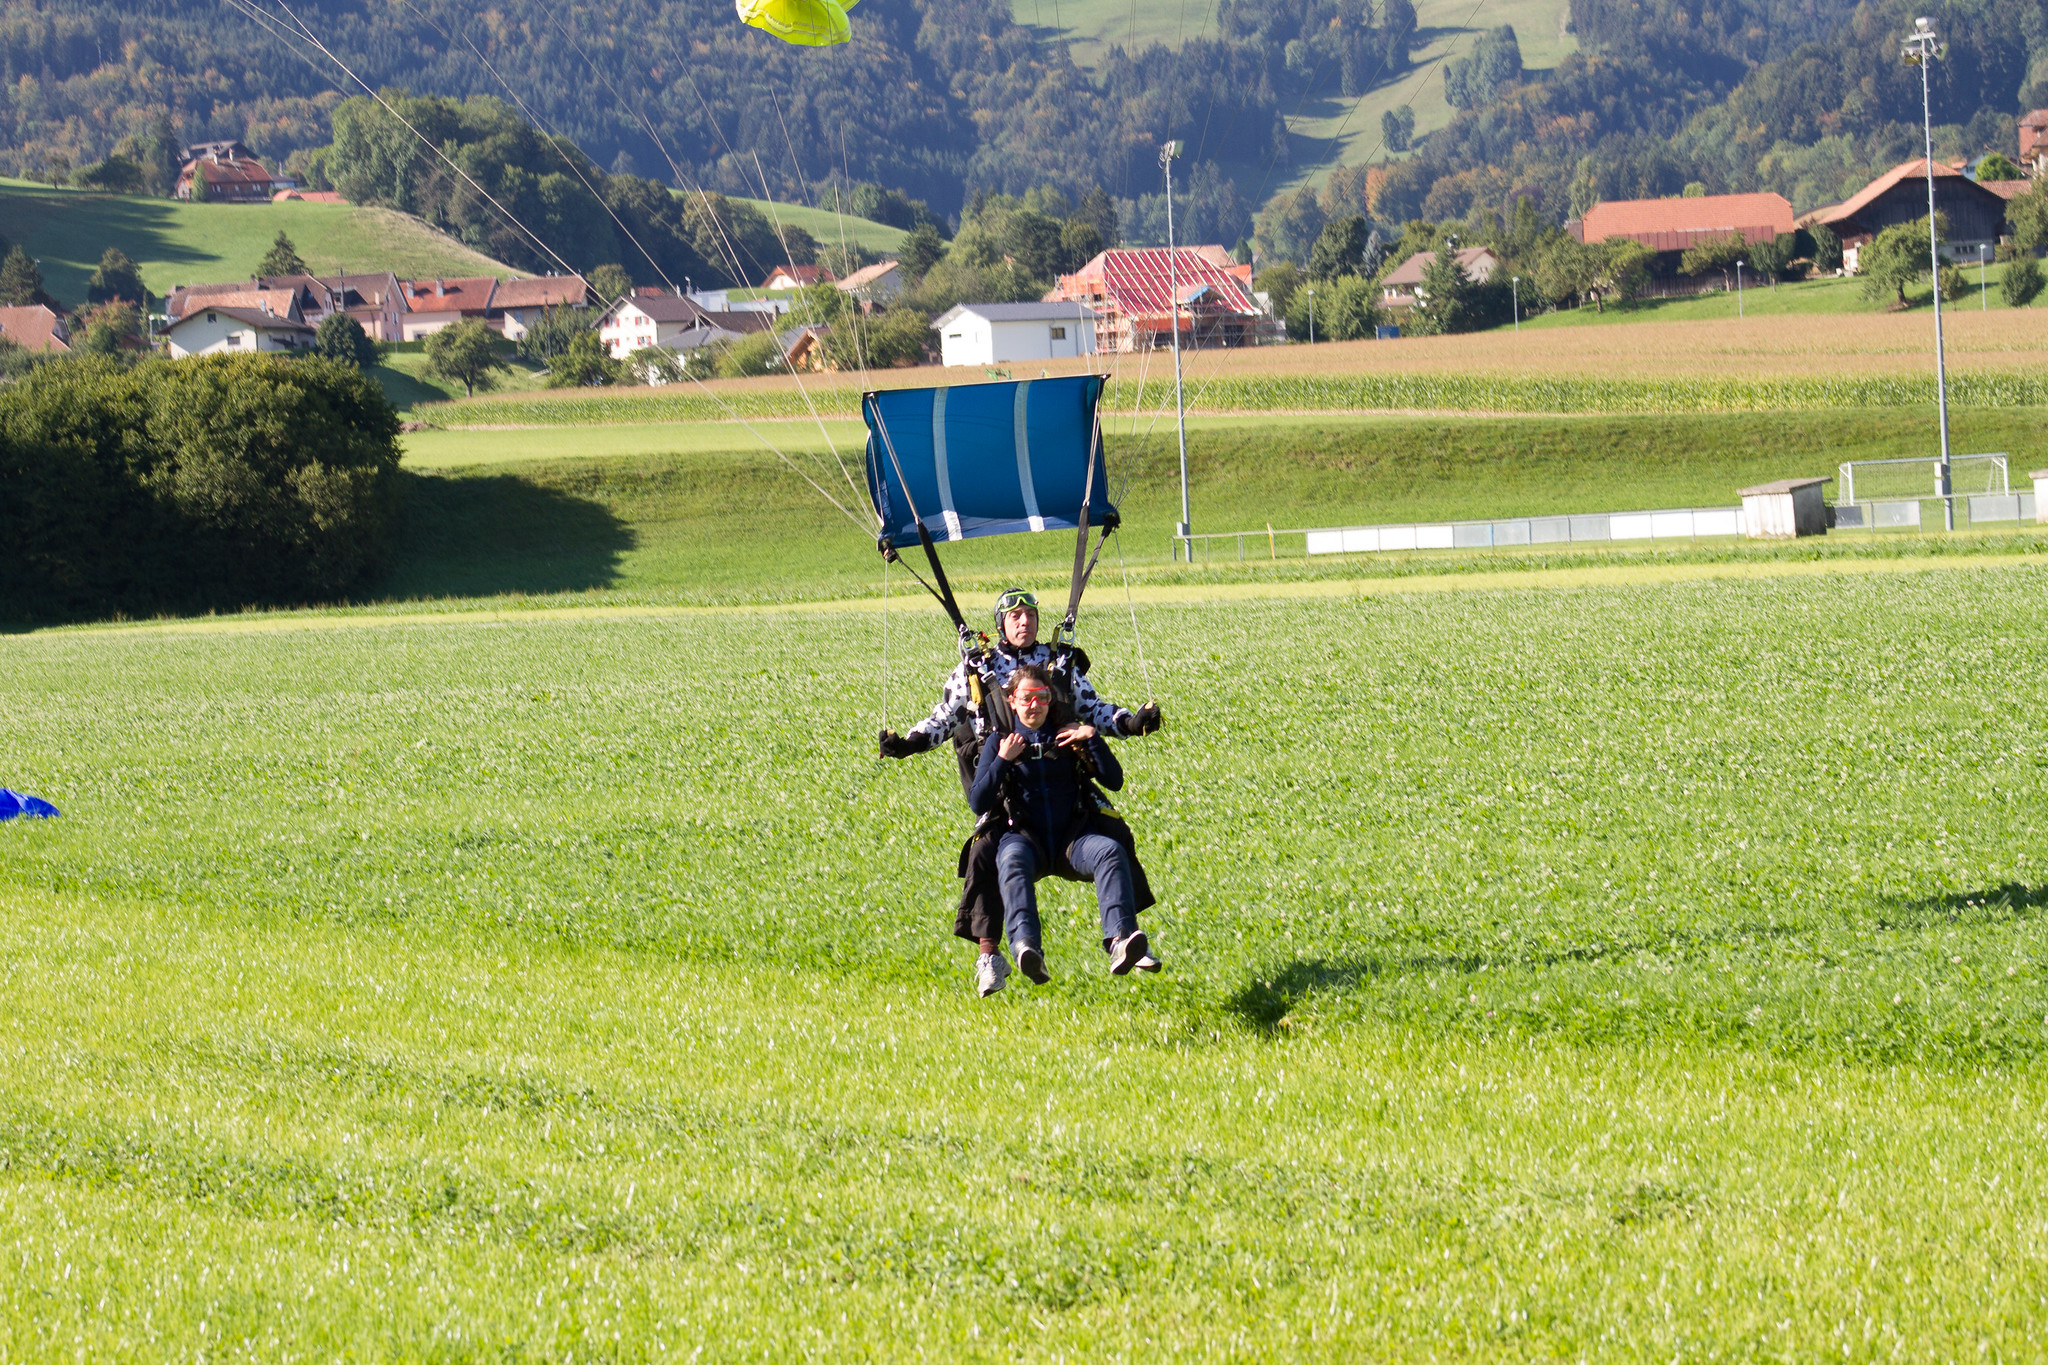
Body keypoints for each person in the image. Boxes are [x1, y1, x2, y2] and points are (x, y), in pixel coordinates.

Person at [961, 663, 1158, 995]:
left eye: (1041, 697)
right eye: (1026, 698)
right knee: (1010, 862)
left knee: (1110, 850)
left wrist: (1092, 740)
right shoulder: (1000, 741)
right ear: (1012, 701)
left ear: (1050, 699)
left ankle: (1120, 939)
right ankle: (1026, 948)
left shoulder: (1067, 733)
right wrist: (1003, 760)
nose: (1034, 705)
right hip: (1025, 840)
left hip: (1072, 840)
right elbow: (978, 801)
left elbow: (1115, 781)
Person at [877, 588, 1160, 778]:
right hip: (1003, 776)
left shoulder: (1059, 663)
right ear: (1001, 625)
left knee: (1115, 836)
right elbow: (945, 719)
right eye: (1016, 616)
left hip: (1060, 771)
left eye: (1031, 615)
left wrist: (1132, 723)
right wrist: (908, 744)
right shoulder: (976, 669)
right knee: (981, 858)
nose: (1025, 621)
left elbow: (1093, 710)